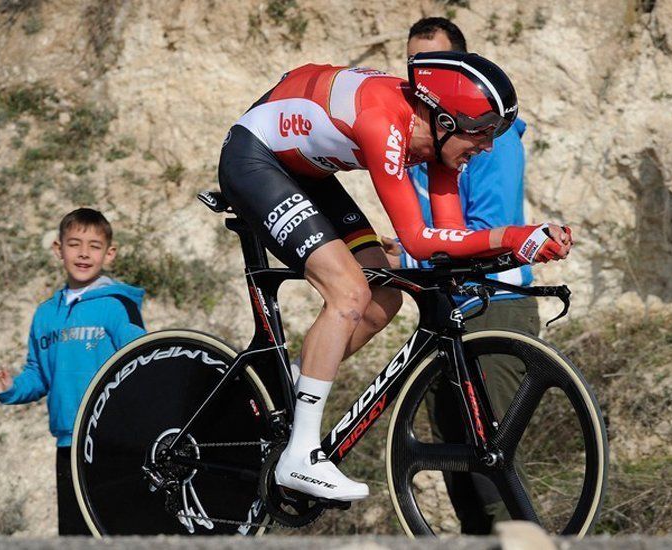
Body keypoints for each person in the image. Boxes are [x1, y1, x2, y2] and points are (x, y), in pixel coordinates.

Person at [218, 51, 572, 502]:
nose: (487, 146)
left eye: (494, 134)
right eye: (482, 132)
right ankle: (300, 456)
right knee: (349, 293)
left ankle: (291, 380)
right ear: (443, 119)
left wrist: (521, 244)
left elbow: (449, 240)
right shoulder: (382, 122)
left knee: (385, 295)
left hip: (306, 172)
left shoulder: (441, 146)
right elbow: (420, 239)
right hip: (256, 159)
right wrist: (516, 236)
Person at [378, 17, 538, 533]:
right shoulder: (416, 137)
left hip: (495, 309)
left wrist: (405, 258)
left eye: (433, 66)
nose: (420, 79)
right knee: (457, 475)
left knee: (491, 473)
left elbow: (490, 236)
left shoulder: (494, 140)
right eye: (411, 67)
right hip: (444, 311)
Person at [0, 208, 146, 535]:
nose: (84, 253)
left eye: (94, 246)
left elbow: (143, 360)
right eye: (74, 244)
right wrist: (11, 387)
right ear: (59, 250)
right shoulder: (45, 315)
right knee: (74, 535)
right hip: (68, 444)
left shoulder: (116, 305)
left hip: (113, 439)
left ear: (109, 254)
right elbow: (39, 376)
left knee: (120, 530)